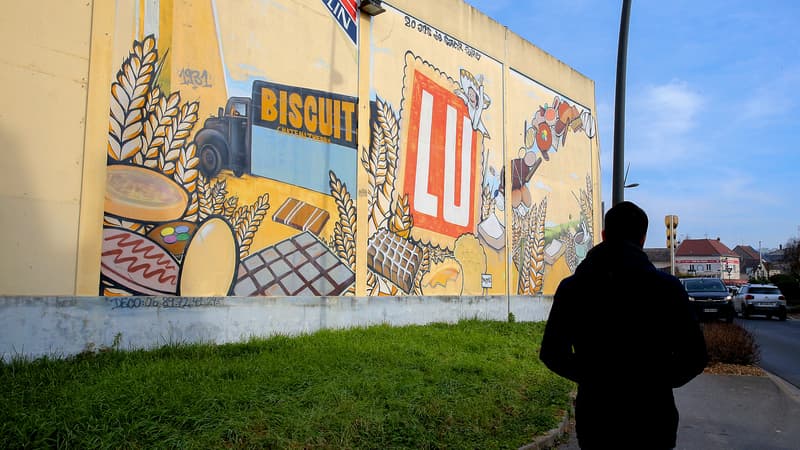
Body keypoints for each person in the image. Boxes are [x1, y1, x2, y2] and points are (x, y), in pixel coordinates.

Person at [540, 201, 707, 449]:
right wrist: (656, 380)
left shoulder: (573, 287)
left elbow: (552, 353)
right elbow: (695, 356)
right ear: (643, 239)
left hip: (598, 417)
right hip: (653, 418)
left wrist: (594, 375)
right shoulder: (668, 289)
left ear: (604, 235)